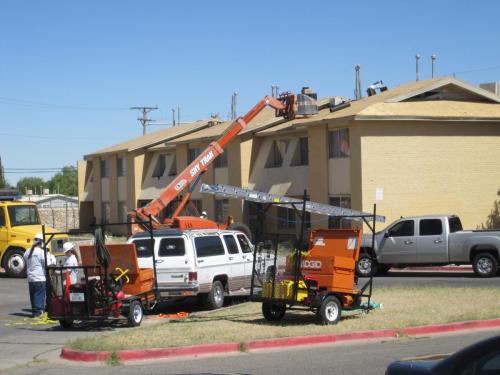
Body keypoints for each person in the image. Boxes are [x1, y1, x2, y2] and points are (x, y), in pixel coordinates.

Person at [24, 233, 55, 317]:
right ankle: (38, 313)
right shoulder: (41, 252)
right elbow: (48, 264)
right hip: (40, 277)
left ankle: (35, 312)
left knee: (33, 295)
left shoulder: (27, 251)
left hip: (31, 277)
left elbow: (26, 261)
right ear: (41, 242)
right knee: (39, 295)